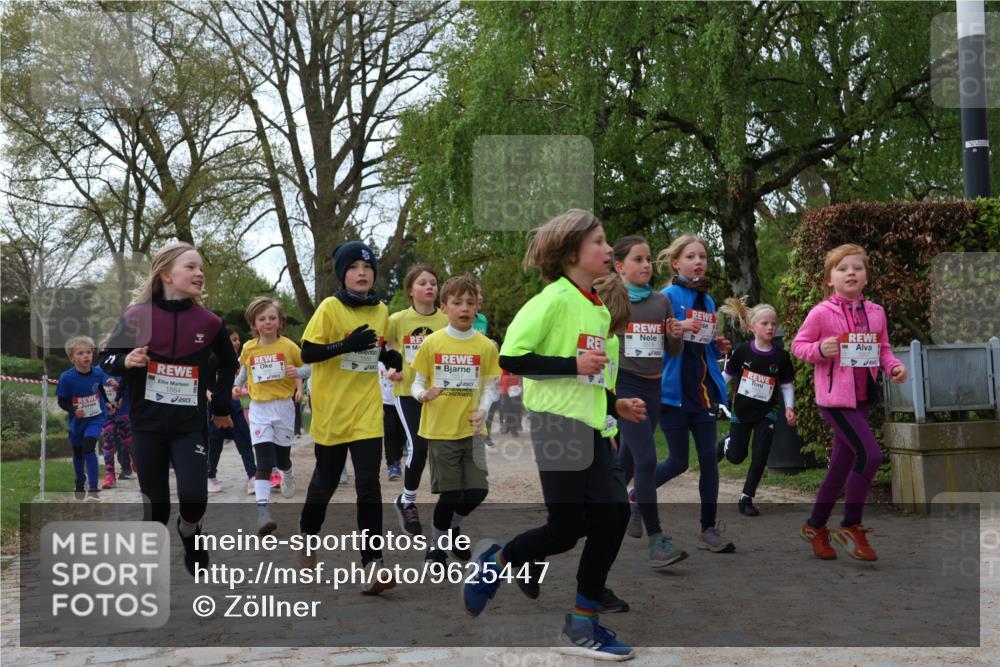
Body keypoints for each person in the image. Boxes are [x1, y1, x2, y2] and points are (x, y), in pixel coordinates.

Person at [463, 209, 646, 661]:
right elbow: (512, 358)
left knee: (613, 514)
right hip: (556, 427)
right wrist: (573, 366)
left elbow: (587, 379)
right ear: (571, 254)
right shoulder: (554, 298)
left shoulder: (595, 305)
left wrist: (612, 403)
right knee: (567, 530)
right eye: (600, 243)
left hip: (591, 427)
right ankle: (497, 563)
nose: (609, 250)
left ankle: (582, 623)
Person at [100, 242, 238, 576]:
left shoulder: (209, 322)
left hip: (188, 426)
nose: (199, 273)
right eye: (191, 267)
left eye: (201, 268)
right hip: (146, 426)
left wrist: (220, 403)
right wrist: (126, 360)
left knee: (195, 497)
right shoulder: (137, 317)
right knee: (156, 507)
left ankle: (190, 533)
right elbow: (107, 359)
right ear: (166, 274)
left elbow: (229, 366)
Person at [297, 241, 403, 594]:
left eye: (368, 267)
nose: (362, 272)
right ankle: (308, 538)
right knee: (324, 484)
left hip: (366, 409)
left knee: (368, 485)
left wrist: (390, 359)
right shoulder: (330, 307)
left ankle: (373, 564)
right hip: (331, 412)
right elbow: (307, 352)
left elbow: (378, 348)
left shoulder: (381, 310)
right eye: (355, 266)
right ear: (343, 273)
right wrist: (345, 345)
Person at [792, 244, 907, 561]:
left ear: (866, 277)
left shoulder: (876, 312)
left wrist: (893, 366)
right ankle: (850, 525)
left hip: (862, 398)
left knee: (841, 465)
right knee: (870, 455)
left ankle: (815, 526)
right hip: (834, 400)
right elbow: (799, 346)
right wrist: (820, 350)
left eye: (857, 268)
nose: (850, 273)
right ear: (830, 279)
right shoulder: (821, 313)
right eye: (842, 269)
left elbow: (883, 349)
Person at [606, 235, 687, 568]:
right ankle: (657, 541)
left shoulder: (661, 302)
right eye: (638, 260)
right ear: (619, 266)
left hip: (653, 388)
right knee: (647, 458)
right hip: (625, 384)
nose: (645, 266)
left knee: (625, 460)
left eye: (648, 259)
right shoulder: (611, 299)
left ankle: (601, 508)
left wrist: (675, 336)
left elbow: (673, 352)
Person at [410, 275, 500, 564]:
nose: (464, 308)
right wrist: (422, 394)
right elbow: (416, 383)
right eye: (457, 302)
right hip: (440, 430)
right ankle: (436, 548)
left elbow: (490, 387)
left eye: (470, 303)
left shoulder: (486, 346)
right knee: (449, 494)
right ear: (444, 307)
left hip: (472, 430)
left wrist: (483, 409)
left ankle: (450, 528)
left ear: (477, 308)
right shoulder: (432, 343)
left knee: (477, 490)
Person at [653, 234, 735, 553]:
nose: (698, 261)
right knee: (678, 462)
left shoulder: (708, 300)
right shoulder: (665, 297)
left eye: (702, 256)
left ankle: (708, 529)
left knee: (709, 463)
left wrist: (716, 345)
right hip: (673, 391)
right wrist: (673, 329)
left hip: (702, 392)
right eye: (691, 257)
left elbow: (702, 342)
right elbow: (650, 340)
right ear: (676, 263)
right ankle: (636, 498)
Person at [717, 297, 796, 516]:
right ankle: (726, 445)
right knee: (736, 456)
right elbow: (726, 375)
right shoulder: (742, 351)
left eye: (773, 323)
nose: (770, 327)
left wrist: (790, 407)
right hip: (742, 410)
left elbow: (787, 384)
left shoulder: (781, 357)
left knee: (761, 453)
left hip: (767, 412)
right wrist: (710, 394)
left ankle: (746, 497)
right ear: (752, 327)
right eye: (765, 323)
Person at [385, 265, 448, 535]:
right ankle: (407, 501)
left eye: (433, 283)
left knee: (443, 451)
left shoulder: (446, 321)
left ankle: (448, 518)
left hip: (441, 395)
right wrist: (391, 366)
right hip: (408, 393)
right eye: (422, 283)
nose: (429, 287)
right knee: (419, 446)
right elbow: (385, 344)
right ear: (410, 291)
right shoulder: (398, 319)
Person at [237, 297, 305, 535]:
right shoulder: (249, 348)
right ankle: (263, 511)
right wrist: (236, 387)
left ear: (280, 322)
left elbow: (310, 367)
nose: (267, 322)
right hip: (259, 409)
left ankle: (287, 472)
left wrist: (298, 376)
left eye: (272, 318)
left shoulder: (288, 346)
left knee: (282, 458)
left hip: (283, 407)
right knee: (264, 461)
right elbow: (243, 372)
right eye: (262, 318)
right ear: (254, 324)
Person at [57, 336, 110, 500]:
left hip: (96, 416)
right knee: (78, 453)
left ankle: (93, 488)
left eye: (88, 352)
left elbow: (100, 388)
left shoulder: (98, 372)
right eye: (80, 353)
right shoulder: (66, 378)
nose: (86, 356)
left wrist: (107, 403)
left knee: (89, 446)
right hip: (77, 421)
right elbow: (62, 401)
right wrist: (73, 410)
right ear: (72, 358)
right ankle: (80, 481)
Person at [206, 328, 258, 495]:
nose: (236, 343)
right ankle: (210, 476)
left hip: (236, 408)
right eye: (232, 340)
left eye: (237, 339)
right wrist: (210, 396)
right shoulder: (212, 359)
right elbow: (204, 383)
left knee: (244, 441)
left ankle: (253, 476)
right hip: (215, 407)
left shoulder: (241, 361)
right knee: (214, 443)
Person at [100, 373, 134, 488]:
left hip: (124, 412)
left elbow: (138, 389)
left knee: (128, 442)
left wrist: (120, 389)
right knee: (108, 441)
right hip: (107, 414)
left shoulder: (125, 368)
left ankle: (135, 461)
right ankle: (110, 475)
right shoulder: (98, 371)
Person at [378, 361, 406, 481]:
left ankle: (397, 460)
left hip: (402, 400)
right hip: (385, 403)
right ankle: (391, 465)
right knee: (390, 432)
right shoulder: (379, 361)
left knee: (401, 434)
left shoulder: (402, 358)